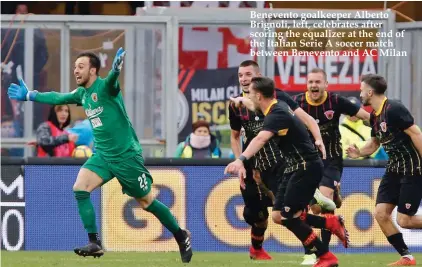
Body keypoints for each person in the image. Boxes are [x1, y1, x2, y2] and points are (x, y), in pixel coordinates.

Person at [7, 48, 193, 263]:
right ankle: (95, 242)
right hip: (103, 156)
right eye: (75, 67)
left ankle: (180, 235)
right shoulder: (82, 94)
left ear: (93, 71)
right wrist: (30, 95)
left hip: (126, 157)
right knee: (80, 188)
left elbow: (113, 82)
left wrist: (115, 70)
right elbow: (58, 96)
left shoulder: (105, 87)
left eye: (81, 67)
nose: (76, 71)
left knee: (146, 202)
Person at [225, 77, 349, 267]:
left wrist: (240, 159)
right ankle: (330, 224)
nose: (247, 97)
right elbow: (252, 105)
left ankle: (326, 257)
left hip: (305, 167)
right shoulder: (273, 106)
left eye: (249, 94)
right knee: (278, 216)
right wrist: (241, 101)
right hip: (294, 167)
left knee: (290, 218)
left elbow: (260, 139)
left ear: (259, 95)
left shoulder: (277, 114)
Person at [293, 68, 370, 265]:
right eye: (310, 81)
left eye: (318, 82)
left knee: (324, 201)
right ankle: (310, 251)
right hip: (308, 161)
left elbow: (366, 116)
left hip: (331, 160)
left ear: (326, 84)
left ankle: (321, 254)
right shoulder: (297, 103)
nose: (314, 85)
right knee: (312, 209)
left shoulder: (335, 101)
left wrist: (387, 126)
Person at [347, 74, 422, 266]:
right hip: (393, 170)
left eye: (362, 89)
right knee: (380, 213)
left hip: (412, 169)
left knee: (405, 221)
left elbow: (416, 133)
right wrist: (359, 153)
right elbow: (374, 144)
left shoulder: (394, 108)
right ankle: (407, 257)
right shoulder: (373, 115)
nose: (360, 93)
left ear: (370, 92)